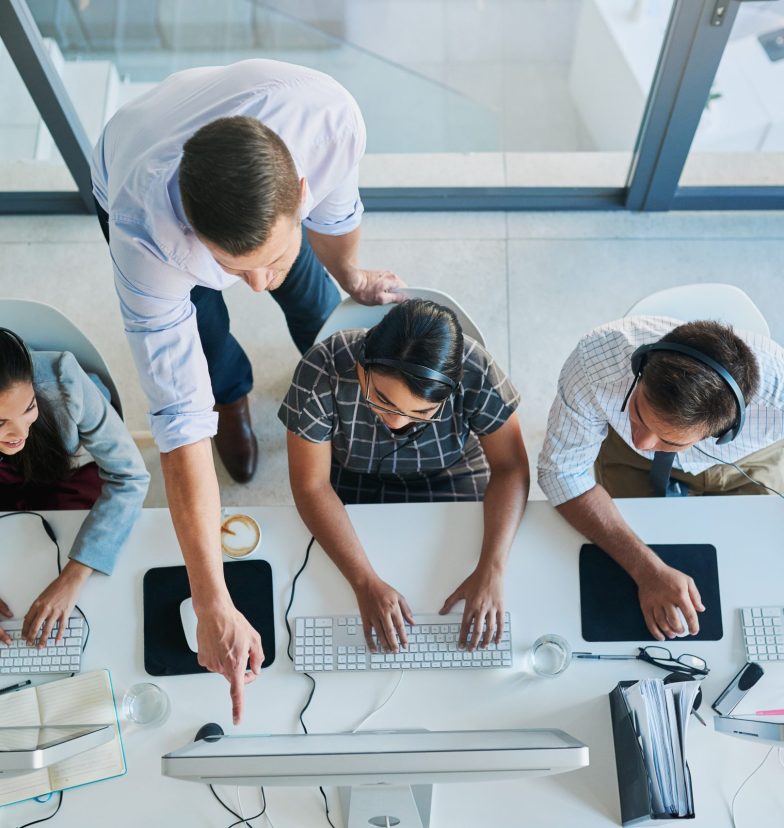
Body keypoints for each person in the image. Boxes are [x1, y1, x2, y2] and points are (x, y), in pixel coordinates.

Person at [91, 59, 406, 722]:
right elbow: (179, 427)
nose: (256, 284)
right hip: (129, 155)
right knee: (204, 334)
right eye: (239, 269)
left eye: (268, 258)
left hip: (259, 147)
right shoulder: (145, 239)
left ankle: (329, 390)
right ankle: (234, 395)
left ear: (298, 185)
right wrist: (213, 601)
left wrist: (348, 273)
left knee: (315, 301)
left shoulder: (326, 117)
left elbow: (338, 209)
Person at [279, 299, 529, 652]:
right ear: (362, 367)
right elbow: (310, 484)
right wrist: (364, 583)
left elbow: (511, 468)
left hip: (451, 471)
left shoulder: (476, 369)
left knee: (453, 572)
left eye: (422, 412)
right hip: (354, 475)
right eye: (382, 399)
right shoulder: (321, 369)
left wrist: (493, 568)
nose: (397, 421)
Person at [538, 315, 784, 641]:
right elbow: (560, 471)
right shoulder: (595, 361)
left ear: (723, 432)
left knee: (752, 574)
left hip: (745, 463)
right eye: (640, 412)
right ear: (640, 369)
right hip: (623, 453)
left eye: (670, 439)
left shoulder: (777, 398)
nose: (645, 443)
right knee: (622, 555)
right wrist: (647, 571)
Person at [0, 328, 149, 648]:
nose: (18, 434)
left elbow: (131, 477)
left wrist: (72, 578)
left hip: (64, 473)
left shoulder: (62, 380)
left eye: (28, 409)